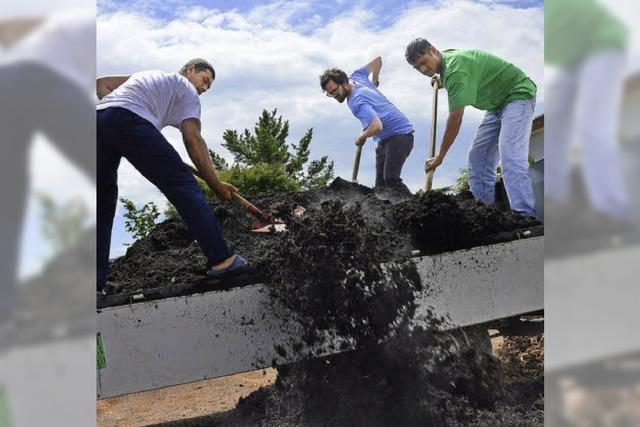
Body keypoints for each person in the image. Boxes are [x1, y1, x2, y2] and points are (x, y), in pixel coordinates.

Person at [96, 58, 246, 292]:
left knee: (101, 207)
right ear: (190, 70)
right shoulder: (185, 87)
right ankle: (221, 260)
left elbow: (102, 83)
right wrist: (215, 184)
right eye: (204, 80)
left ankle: (93, 285)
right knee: (183, 185)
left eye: (208, 87)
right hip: (129, 119)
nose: (204, 88)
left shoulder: (148, 75)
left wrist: (117, 114)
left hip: (98, 120)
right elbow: (193, 138)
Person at [405, 39, 537, 218]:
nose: (423, 70)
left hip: (517, 95)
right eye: (417, 68)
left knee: (510, 154)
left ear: (433, 50)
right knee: (478, 158)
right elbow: (461, 73)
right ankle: (486, 216)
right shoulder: (447, 64)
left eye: (423, 63)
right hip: (495, 106)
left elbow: (455, 119)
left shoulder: (455, 70)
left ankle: (525, 216)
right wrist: (440, 78)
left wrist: (440, 156)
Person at [319, 57, 415, 194]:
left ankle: (417, 210)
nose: (334, 96)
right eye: (330, 94)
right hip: (385, 139)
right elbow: (377, 61)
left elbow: (376, 126)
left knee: (391, 180)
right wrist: (375, 79)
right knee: (381, 188)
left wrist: (361, 136)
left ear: (344, 82)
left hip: (400, 134)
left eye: (334, 91)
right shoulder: (357, 76)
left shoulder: (357, 102)